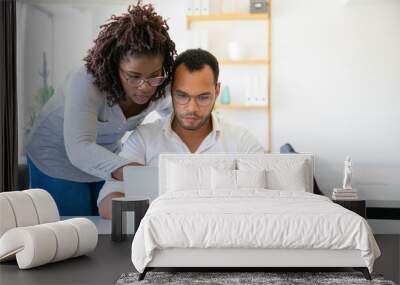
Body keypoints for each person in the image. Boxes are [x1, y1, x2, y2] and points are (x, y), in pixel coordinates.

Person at [25, 3, 177, 216]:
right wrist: (133, 171)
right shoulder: (86, 81)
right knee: (74, 229)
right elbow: (79, 148)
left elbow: (174, 122)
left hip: (106, 157)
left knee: (108, 225)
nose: (145, 87)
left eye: (154, 75)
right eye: (133, 76)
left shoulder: (160, 86)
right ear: (116, 67)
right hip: (56, 156)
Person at [97, 49, 265, 219]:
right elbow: (106, 203)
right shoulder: (144, 139)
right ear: (171, 90)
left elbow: (268, 200)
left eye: (203, 97)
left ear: (217, 90)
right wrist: (164, 216)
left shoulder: (242, 141)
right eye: (182, 95)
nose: (191, 108)